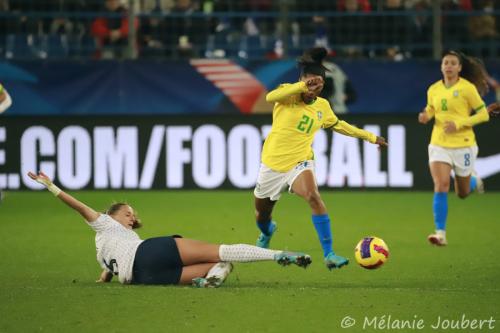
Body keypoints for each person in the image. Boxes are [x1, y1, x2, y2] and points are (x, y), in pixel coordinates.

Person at [28, 171, 312, 288]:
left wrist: (104, 279)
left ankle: (207, 284)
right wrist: (51, 186)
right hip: (150, 253)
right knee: (222, 251)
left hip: (141, 278)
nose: (131, 218)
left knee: (219, 265)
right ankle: (278, 255)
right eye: (129, 214)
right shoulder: (104, 222)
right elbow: (79, 206)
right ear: (113, 215)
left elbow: (108, 269)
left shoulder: (103, 247)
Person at [253, 55, 387, 271]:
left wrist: (372, 137)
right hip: (271, 165)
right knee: (262, 215)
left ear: (322, 85)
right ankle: (267, 231)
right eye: (308, 81)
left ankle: (329, 254)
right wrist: (301, 85)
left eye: (316, 82)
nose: (311, 87)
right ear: (301, 81)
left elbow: (342, 126)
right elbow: (270, 96)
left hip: (300, 162)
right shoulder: (288, 93)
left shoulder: (323, 107)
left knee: (313, 196)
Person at [418, 50, 492, 246]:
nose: (449, 66)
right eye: (446, 62)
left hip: (464, 145)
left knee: (462, 193)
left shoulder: (467, 88)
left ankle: (475, 181)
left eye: (453, 63)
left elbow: (483, 114)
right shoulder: (433, 89)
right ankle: (440, 233)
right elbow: (431, 108)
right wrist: (426, 115)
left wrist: (459, 124)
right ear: (441, 66)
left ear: (459, 68)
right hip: (439, 143)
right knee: (441, 184)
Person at [306, 47, 357, 114]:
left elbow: (329, 88)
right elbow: (352, 95)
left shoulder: (323, 68)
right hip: (341, 110)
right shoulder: (337, 69)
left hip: (329, 111)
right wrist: (342, 97)